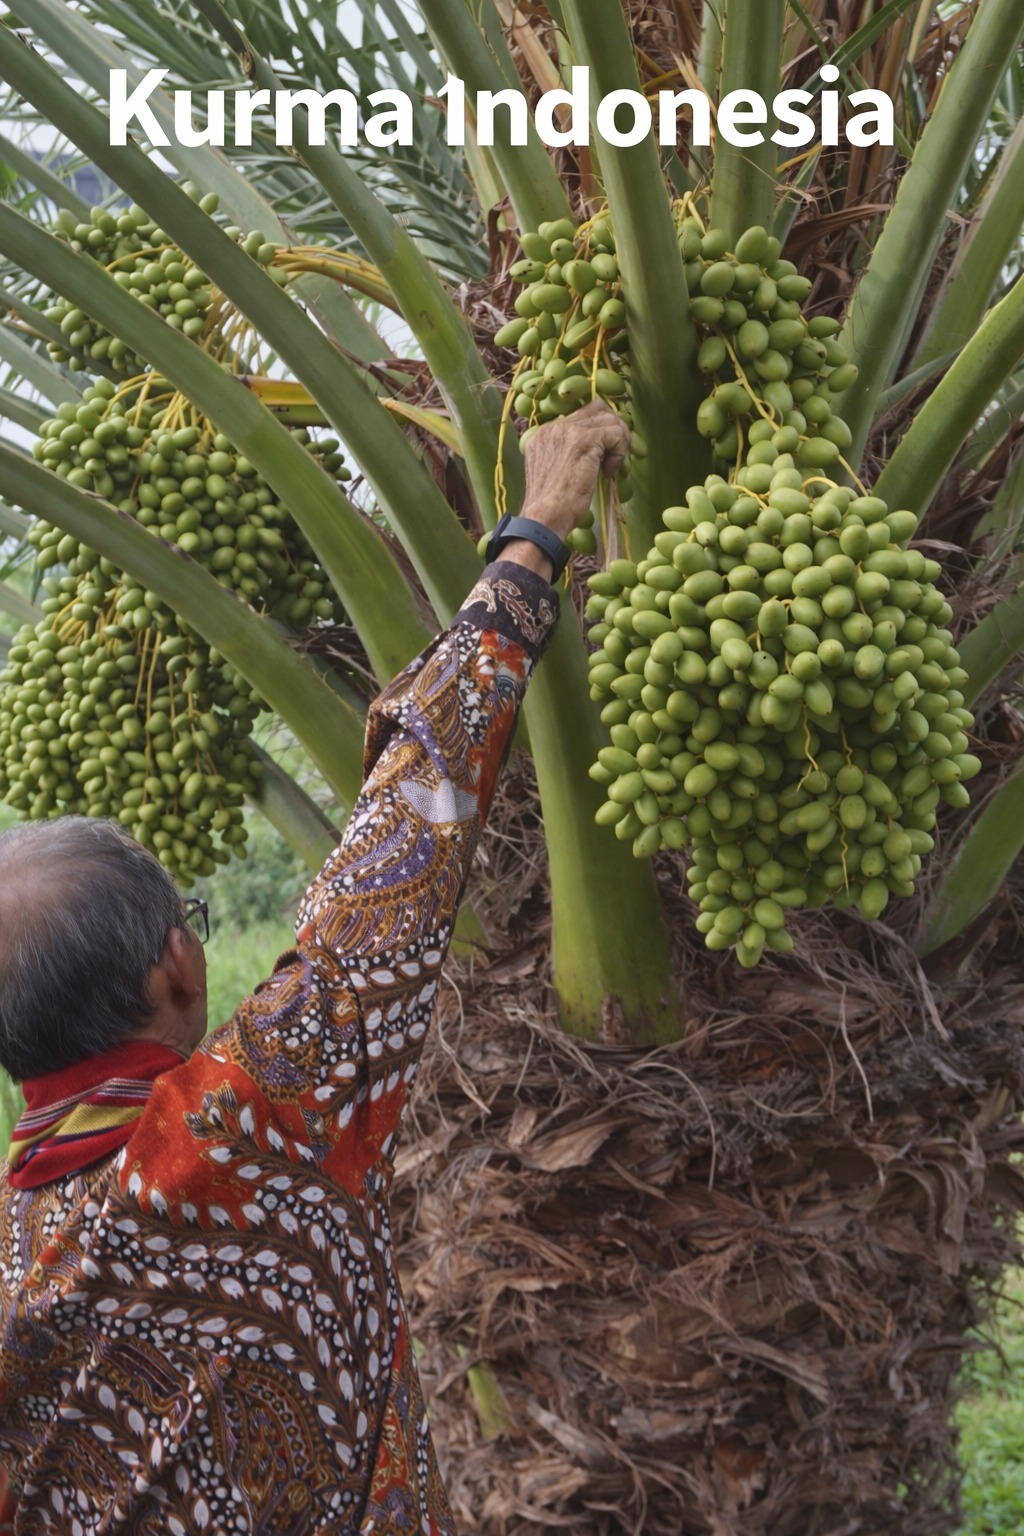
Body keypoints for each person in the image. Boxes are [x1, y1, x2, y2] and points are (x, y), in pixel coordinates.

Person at [0, 401, 630, 1535]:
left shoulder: (18, 1262)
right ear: (180, 967)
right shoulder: (242, 1126)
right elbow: (402, 841)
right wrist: (535, 532)